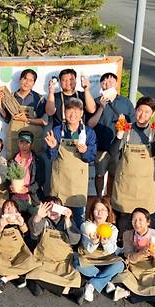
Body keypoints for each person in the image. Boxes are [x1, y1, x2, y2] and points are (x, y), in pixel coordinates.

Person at [109, 96, 155, 240]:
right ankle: (121, 245)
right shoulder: (127, 129)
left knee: (143, 219)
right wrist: (119, 133)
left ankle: (142, 245)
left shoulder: (154, 132)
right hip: (126, 184)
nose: (142, 115)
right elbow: (113, 151)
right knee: (123, 216)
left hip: (144, 185)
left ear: (152, 114)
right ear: (135, 111)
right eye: (140, 111)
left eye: (147, 112)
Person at [45, 98, 96, 229]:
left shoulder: (88, 133)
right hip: (60, 181)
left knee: (78, 218)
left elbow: (91, 157)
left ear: (81, 113)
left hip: (77, 184)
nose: (72, 115)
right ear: (64, 112)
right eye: (69, 111)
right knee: (56, 216)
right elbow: (52, 157)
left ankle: (77, 244)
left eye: (76, 111)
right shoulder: (57, 131)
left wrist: (85, 151)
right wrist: (52, 147)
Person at [25, 196, 85, 304]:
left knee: (73, 277)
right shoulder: (42, 220)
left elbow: (75, 240)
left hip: (63, 263)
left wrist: (67, 220)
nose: (52, 211)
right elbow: (34, 233)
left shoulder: (67, 221)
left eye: (56, 207)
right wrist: (38, 216)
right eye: (49, 207)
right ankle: (70, 291)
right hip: (43, 261)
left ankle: (41, 282)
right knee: (36, 281)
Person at [87, 72, 135, 198]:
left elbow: (133, 122)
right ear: (101, 85)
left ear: (116, 83)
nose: (107, 84)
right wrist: (101, 107)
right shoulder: (96, 102)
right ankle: (99, 198)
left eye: (111, 81)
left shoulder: (125, 102)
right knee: (99, 174)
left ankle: (111, 199)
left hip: (118, 147)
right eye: (104, 82)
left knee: (114, 174)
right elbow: (90, 124)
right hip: (101, 146)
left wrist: (125, 123)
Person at [112, 207, 155, 305]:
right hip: (135, 268)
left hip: (152, 270)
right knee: (122, 276)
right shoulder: (128, 235)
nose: (137, 223)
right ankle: (149, 296)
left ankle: (129, 294)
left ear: (148, 222)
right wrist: (142, 253)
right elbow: (129, 257)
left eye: (140, 220)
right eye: (134, 220)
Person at [74, 197, 125, 303]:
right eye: (97, 209)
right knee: (77, 264)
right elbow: (88, 249)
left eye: (103, 210)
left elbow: (111, 251)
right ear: (92, 212)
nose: (100, 213)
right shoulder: (86, 226)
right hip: (88, 258)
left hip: (106, 259)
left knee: (120, 265)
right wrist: (94, 242)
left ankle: (91, 285)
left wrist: (105, 243)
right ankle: (107, 280)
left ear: (108, 213)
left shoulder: (113, 229)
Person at [0, 200, 40, 294]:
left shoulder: (21, 220)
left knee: (30, 260)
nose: (9, 209)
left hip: (18, 254)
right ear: (3, 211)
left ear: (17, 210)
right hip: (1, 254)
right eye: (6, 207)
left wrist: (21, 224)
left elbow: (28, 236)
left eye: (12, 207)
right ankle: (19, 275)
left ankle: (4, 278)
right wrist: (1, 225)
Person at [0, 69, 47, 158]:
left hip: (33, 139)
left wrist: (26, 120)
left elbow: (44, 121)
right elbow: (7, 118)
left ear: (34, 83)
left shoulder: (39, 99)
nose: (27, 83)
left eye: (31, 80)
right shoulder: (10, 96)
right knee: (13, 165)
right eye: (25, 79)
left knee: (33, 166)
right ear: (20, 79)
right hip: (14, 137)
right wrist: (0, 103)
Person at [7, 130, 46, 218]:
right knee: (12, 218)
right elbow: (7, 180)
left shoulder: (38, 161)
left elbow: (41, 181)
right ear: (18, 143)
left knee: (39, 218)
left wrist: (28, 189)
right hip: (16, 199)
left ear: (31, 144)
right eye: (21, 142)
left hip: (34, 199)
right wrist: (10, 187)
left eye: (27, 142)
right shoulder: (11, 161)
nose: (24, 145)